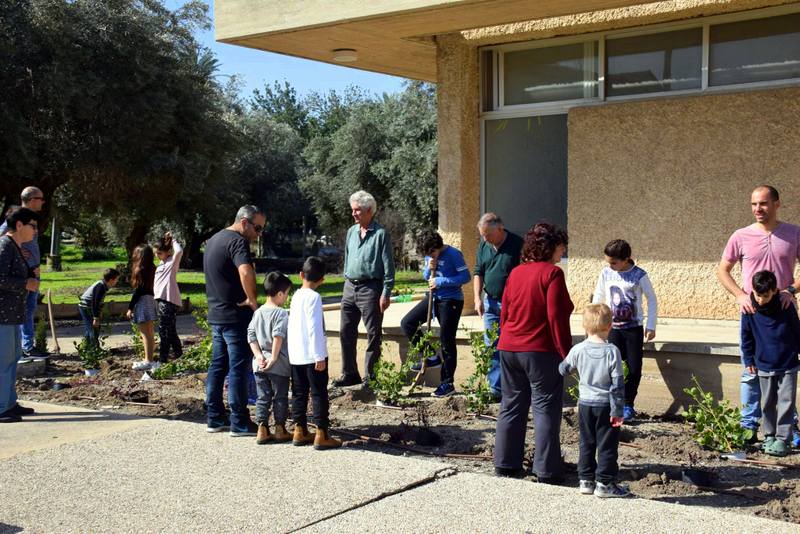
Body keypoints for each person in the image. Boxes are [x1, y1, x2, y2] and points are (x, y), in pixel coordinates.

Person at [718, 185, 800, 444]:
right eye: (754, 204)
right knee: (751, 370)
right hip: (753, 315)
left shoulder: (793, 234)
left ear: (777, 204)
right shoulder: (741, 236)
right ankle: (748, 425)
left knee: (785, 373)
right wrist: (741, 295)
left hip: (784, 315)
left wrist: (791, 290)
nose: (758, 209)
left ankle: (788, 429)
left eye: (763, 204)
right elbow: (723, 270)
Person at [494, 222, 573, 482]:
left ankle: (506, 463)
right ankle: (547, 470)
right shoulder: (552, 274)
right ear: (550, 246)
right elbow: (556, 318)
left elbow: (504, 312)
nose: (562, 252)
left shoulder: (516, 272)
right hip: (539, 350)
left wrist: (507, 338)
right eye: (561, 246)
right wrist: (566, 354)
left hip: (508, 347)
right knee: (545, 407)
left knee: (511, 404)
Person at [204, 205, 264, 436]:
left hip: (217, 314)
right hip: (235, 316)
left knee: (218, 366)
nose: (258, 234)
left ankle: (214, 418)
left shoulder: (214, 240)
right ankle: (239, 422)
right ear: (245, 222)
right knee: (237, 368)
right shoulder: (238, 241)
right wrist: (252, 299)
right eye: (257, 228)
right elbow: (246, 271)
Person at [559, 304, 630, 498]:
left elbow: (563, 369)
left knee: (586, 442)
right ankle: (605, 484)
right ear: (610, 326)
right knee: (607, 445)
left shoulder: (578, 349)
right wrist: (618, 411)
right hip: (606, 405)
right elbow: (617, 384)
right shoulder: (612, 351)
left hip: (585, 404)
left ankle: (586, 480)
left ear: (585, 326)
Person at [335, 190, 395, 390]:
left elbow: (389, 267)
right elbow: (347, 255)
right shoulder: (352, 232)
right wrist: (346, 278)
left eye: (357, 210)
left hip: (371, 288)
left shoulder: (380, 235)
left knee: (373, 333)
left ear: (369, 211)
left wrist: (386, 292)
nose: (353, 214)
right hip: (350, 286)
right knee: (345, 331)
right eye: (352, 210)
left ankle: (371, 377)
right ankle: (350, 373)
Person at [592, 239, 657, 421]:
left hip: (633, 329)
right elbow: (599, 295)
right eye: (608, 262)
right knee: (614, 367)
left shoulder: (639, 275)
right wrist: (597, 320)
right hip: (612, 329)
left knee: (634, 368)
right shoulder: (606, 273)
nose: (610, 266)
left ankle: (628, 404)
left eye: (614, 262)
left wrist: (651, 325)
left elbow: (652, 299)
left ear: (626, 258)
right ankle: (614, 403)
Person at [400, 230, 469, 397]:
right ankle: (431, 356)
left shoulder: (453, 254)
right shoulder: (429, 255)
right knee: (408, 323)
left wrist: (441, 281)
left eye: (432, 252)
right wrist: (428, 269)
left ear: (438, 246)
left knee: (447, 340)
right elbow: (426, 276)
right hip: (433, 298)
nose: (430, 255)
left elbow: (465, 277)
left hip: (451, 300)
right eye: (427, 254)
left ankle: (447, 383)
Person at [741, 270, 800, 457]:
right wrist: (749, 359)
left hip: (788, 362)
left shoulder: (785, 305)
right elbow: (746, 336)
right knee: (767, 403)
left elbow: (797, 331)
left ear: (774, 291)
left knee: (786, 402)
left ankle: (783, 439)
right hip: (763, 364)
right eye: (758, 295)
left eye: (765, 296)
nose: (760, 300)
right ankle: (769, 435)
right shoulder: (749, 308)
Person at [288, 257, 341, 450]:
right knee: (319, 393)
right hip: (313, 355)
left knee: (299, 393)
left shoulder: (295, 295)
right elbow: (315, 328)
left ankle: (299, 429)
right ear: (322, 280)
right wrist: (320, 356)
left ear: (301, 275)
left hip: (297, 354)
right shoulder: (314, 297)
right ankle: (322, 433)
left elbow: (293, 326)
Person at [472, 213, 523, 400]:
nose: (485, 239)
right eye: (483, 235)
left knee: (512, 345)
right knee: (491, 344)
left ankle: (513, 387)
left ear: (500, 229)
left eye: (488, 235)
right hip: (490, 302)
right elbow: (478, 272)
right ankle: (495, 388)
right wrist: (477, 298)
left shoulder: (518, 244)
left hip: (512, 304)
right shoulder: (484, 246)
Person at [0, 207, 40, 422]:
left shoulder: (14, 246)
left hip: (12, 315)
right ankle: (1, 408)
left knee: (12, 359)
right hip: (2, 316)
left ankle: (9, 403)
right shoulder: (5, 246)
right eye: (32, 226)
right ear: (19, 225)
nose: (35, 231)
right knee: (3, 362)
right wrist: (26, 282)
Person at [0, 187, 46, 358]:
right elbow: (4, 237)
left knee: (29, 308)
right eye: (41, 198)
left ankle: (26, 345)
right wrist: (19, 251)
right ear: (32, 199)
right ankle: (26, 346)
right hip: (22, 275)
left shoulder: (30, 220)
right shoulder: (17, 217)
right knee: (24, 310)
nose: (43, 201)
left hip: (32, 272)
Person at [248, 272, 293, 445]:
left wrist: (259, 356)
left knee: (262, 397)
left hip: (259, 365)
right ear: (280, 293)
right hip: (278, 364)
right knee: (280, 397)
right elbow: (278, 336)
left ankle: (262, 428)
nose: (286, 298)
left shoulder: (258, 312)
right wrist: (273, 358)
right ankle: (280, 429)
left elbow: (250, 335)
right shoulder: (280, 313)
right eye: (287, 293)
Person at [127, 244, 157, 371]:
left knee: (144, 333)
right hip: (152, 300)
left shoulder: (139, 270)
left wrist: (130, 308)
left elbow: (138, 291)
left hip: (143, 302)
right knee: (150, 333)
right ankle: (149, 358)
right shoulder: (153, 268)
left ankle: (148, 360)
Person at [154, 232, 183, 363]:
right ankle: (179, 355)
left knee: (163, 330)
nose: (157, 255)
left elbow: (179, 251)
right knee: (170, 331)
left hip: (168, 301)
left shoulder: (172, 262)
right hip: (162, 300)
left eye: (159, 253)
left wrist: (173, 240)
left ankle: (163, 359)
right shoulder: (162, 263)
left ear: (167, 252)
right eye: (156, 253)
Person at [78, 268, 120, 344]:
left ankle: (86, 347)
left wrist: (99, 311)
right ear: (111, 280)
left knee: (90, 329)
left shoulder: (103, 285)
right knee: (93, 329)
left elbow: (98, 302)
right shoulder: (101, 286)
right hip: (86, 307)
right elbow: (95, 302)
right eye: (117, 279)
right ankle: (95, 349)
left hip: (88, 306)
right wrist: (96, 318)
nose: (117, 281)